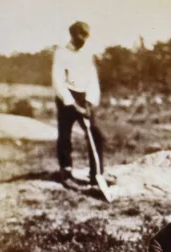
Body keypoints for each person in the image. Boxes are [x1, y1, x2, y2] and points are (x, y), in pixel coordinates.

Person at [52, 21, 105, 185]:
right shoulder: (62, 53)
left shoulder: (87, 53)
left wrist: (89, 101)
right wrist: (72, 104)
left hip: (84, 96)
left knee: (95, 135)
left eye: (86, 35)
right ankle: (66, 172)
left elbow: (93, 79)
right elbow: (58, 81)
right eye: (80, 34)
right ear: (72, 34)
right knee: (65, 135)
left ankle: (96, 174)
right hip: (66, 97)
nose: (83, 38)